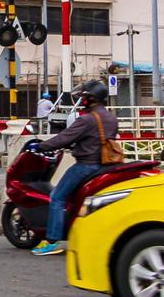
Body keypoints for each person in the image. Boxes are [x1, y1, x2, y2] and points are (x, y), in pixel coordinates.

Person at [26, 79, 119, 256]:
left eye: (84, 97)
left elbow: (63, 138)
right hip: (107, 165)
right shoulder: (111, 118)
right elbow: (99, 139)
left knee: (57, 196)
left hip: (87, 165)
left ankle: (52, 241)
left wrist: (40, 146)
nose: (82, 100)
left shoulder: (87, 119)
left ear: (92, 99)